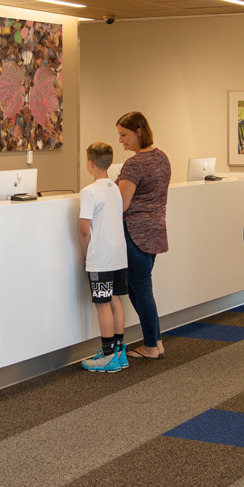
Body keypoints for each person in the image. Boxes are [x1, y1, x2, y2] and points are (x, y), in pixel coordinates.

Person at [115, 111, 169, 360]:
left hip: (135, 234)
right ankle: (155, 342)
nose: (121, 141)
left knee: (141, 290)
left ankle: (151, 346)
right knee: (138, 289)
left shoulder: (134, 164)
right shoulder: (162, 158)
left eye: (124, 135)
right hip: (155, 232)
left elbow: (121, 204)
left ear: (138, 132)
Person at [78, 142, 129, 373]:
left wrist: (85, 255)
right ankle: (119, 352)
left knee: (102, 304)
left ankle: (108, 356)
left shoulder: (89, 191)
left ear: (90, 164)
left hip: (100, 256)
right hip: (119, 254)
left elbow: (84, 230)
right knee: (115, 300)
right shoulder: (115, 188)